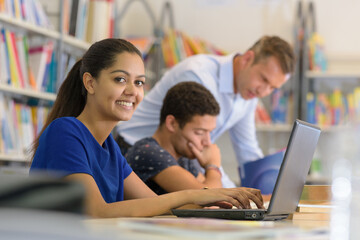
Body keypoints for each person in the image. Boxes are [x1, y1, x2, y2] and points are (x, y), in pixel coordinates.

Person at [29, 38, 264, 218]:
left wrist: (222, 203)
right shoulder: (65, 131)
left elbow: (155, 205)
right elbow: (97, 212)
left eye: (139, 82)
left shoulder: (109, 147)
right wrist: (196, 194)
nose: (133, 91)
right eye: (120, 79)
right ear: (90, 82)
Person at [116, 35, 296, 187]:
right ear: (248, 59)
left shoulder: (248, 93)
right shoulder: (198, 75)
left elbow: (247, 151)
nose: (263, 91)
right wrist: (224, 182)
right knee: (205, 203)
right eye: (263, 79)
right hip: (135, 151)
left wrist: (262, 190)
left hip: (180, 158)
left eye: (272, 88)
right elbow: (195, 148)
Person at [126, 81, 223, 195]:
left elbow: (210, 194)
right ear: (172, 123)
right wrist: (213, 166)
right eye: (199, 132)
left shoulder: (183, 157)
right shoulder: (148, 152)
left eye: (209, 133)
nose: (207, 142)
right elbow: (210, 199)